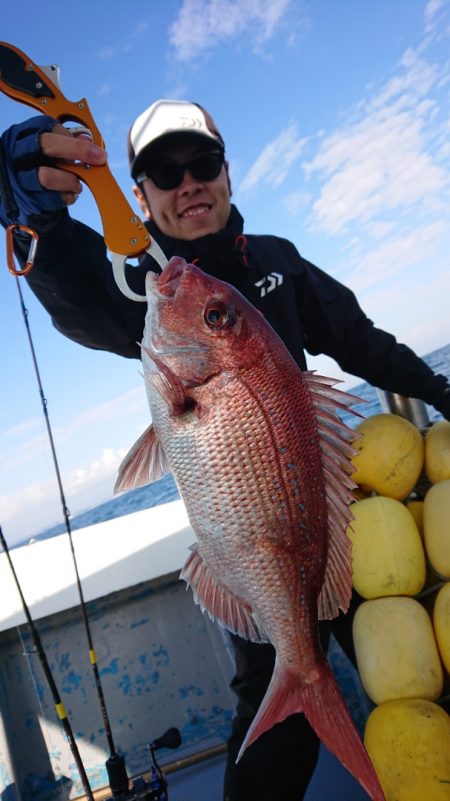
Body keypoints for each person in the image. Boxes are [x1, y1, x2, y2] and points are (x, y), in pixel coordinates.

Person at [1, 100, 450, 801]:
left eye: (201, 163)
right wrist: (39, 224)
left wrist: (442, 392)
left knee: (419, 674)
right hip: (254, 545)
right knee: (275, 727)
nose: (189, 183)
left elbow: (362, 342)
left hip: (335, 528)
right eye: (163, 172)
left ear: (227, 173)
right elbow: (81, 295)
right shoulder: (144, 283)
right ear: (141, 195)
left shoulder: (276, 261)